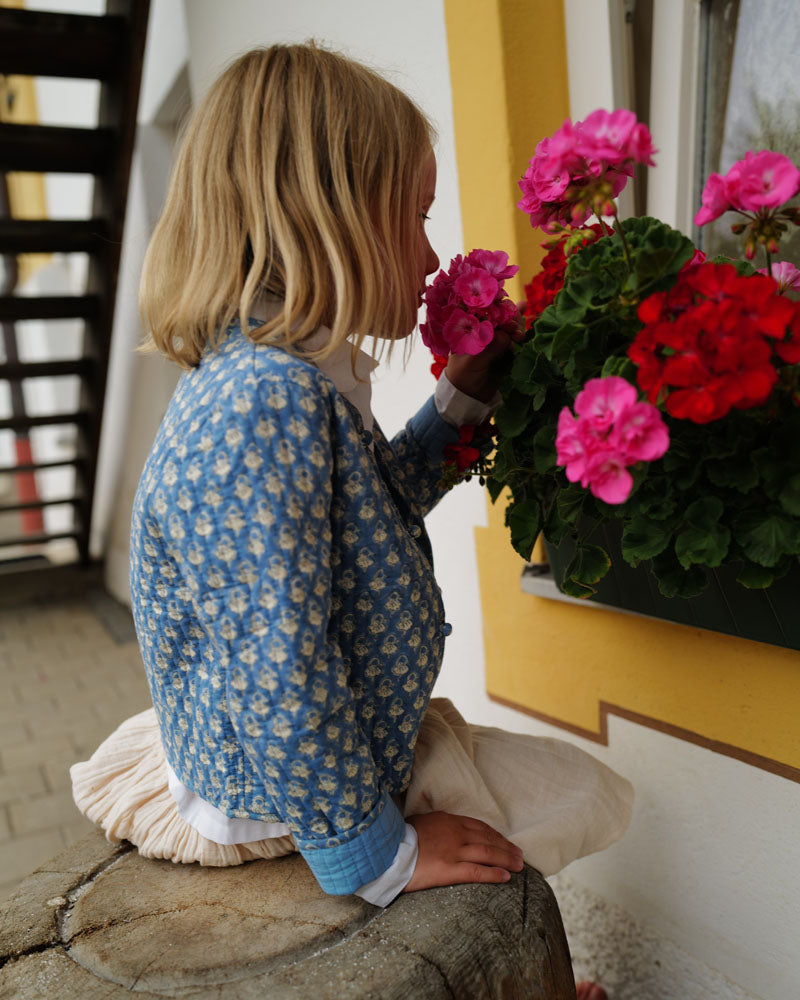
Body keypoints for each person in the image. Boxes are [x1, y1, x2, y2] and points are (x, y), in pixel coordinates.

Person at [72, 44, 629, 995]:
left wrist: (463, 399)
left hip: (322, 745)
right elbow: (278, 665)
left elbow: (372, 508)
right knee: (574, 802)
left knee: (562, 797)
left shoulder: (292, 378)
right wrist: (379, 858)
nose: (426, 256)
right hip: (295, 793)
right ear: (321, 214)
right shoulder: (263, 402)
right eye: (412, 218)